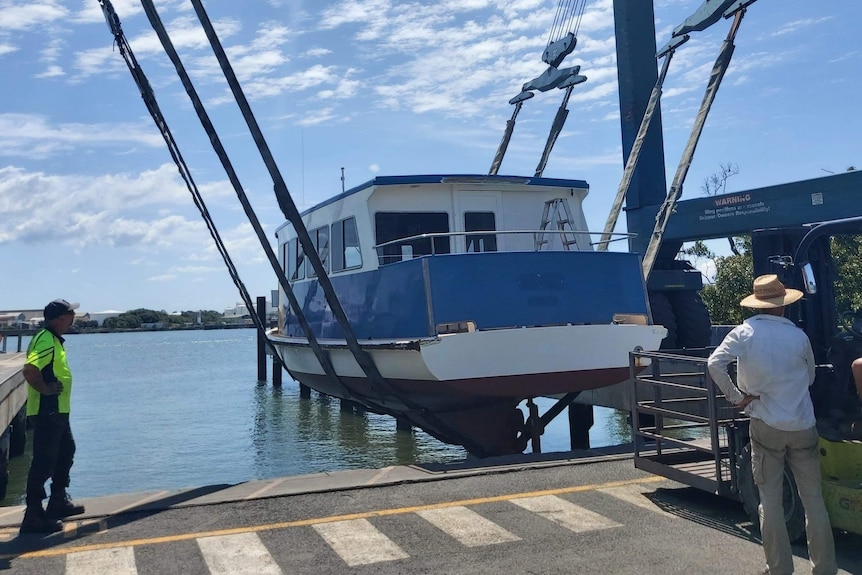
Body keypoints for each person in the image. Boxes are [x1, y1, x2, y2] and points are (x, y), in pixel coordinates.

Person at [708, 275, 836, 575]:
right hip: (802, 424)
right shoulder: (799, 337)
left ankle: (779, 569)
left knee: (770, 501)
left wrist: (737, 397)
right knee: (814, 500)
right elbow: (811, 378)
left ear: (757, 304)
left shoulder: (744, 333)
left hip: (765, 423)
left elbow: (714, 364)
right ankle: (825, 569)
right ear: (783, 306)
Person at [19, 299, 86, 534]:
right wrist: (46, 389)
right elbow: (30, 369)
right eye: (71, 314)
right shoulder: (46, 339)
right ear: (60, 318)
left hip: (58, 410)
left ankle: (58, 500)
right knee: (44, 461)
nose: (73, 318)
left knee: (66, 451)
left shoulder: (53, 339)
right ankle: (33, 515)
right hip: (48, 409)